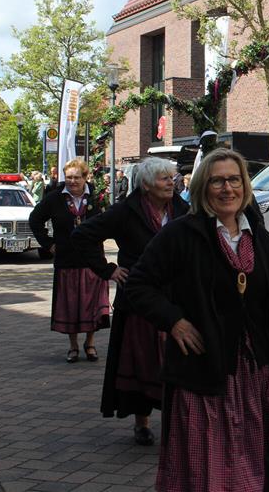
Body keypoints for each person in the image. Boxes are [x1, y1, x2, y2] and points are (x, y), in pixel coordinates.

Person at [125, 149, 269, 491]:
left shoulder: (258, 235)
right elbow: (138, 284)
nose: (227, 188)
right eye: (217, 180)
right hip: (204, 371)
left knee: (250, 456)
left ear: (244, 186)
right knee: (206, 464)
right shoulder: (181, 235)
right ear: (203, 187)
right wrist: (174, 320)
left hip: (253, 372)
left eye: (234, 179)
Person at [71, 157, 190, 447]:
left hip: (174, 298)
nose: (170, 183)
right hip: (138, 300)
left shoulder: (182, 209)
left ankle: (180, 422)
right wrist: (108, 269)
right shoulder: (126, 211)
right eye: (164, 179)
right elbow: (82, 235)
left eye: (171, 179)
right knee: (141, 363)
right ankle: (142, 423)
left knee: (179, 361)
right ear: (147, 184)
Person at [29, 159, 109, 363]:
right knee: (71, 305)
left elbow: (109, 221)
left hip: (93, 261)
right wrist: (49, 244)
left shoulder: (97, 198)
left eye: (76, 177)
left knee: (93, 305)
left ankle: (90, 344)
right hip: (67, 260)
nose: (72, 181)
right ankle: (73, 346)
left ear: (85, 177)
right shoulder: (55, 198)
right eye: (69, 177)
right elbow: (35, 219)